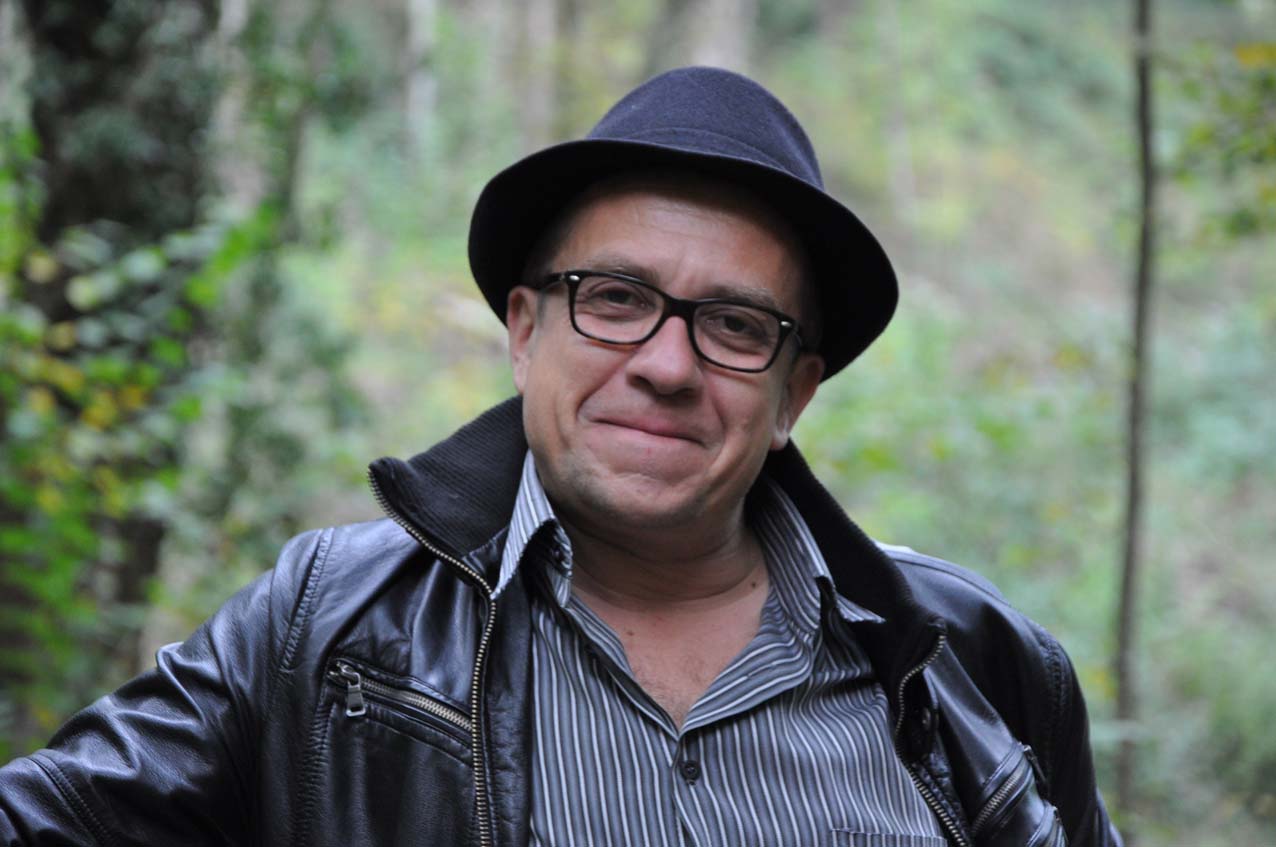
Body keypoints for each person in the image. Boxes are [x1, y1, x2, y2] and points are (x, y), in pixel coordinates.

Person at [0, 66, 1120, 846]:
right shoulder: (330, 632)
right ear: (524, 330)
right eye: (616, 298)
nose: (668, 365)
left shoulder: (972, 662)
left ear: (794, 393)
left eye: (736, 326)